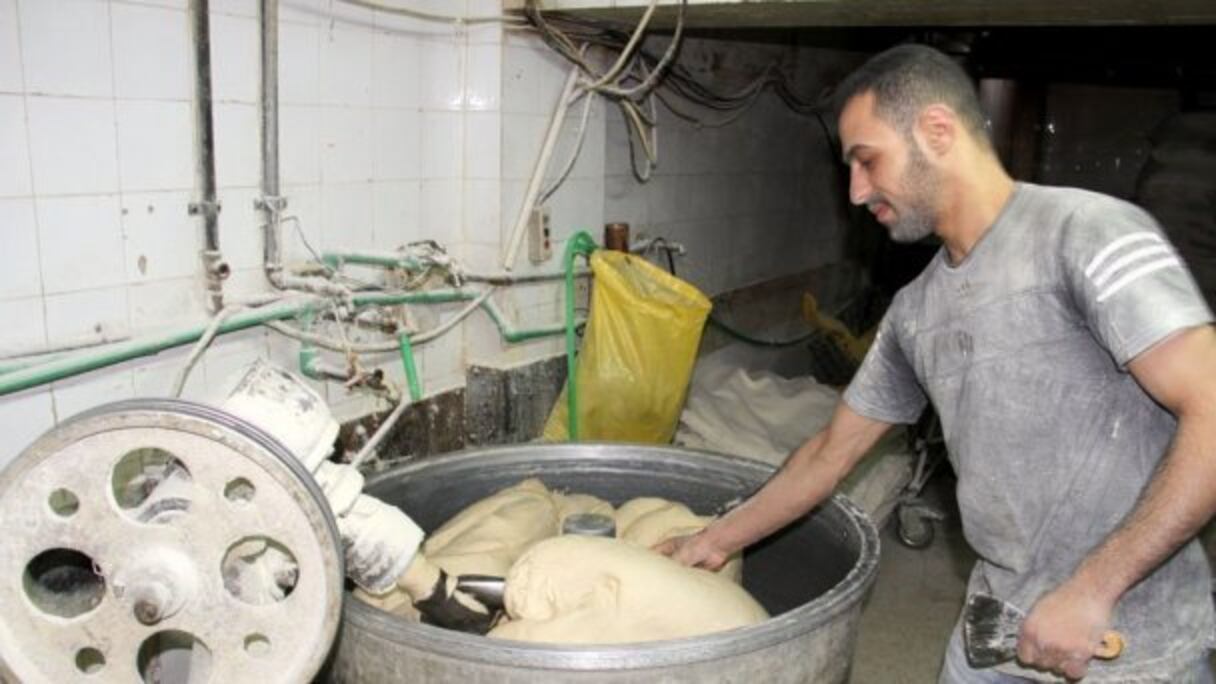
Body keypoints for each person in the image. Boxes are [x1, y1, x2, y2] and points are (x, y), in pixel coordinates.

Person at [658, 44, 1216, 682]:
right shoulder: (917, 311)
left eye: (867, 161)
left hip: (1126, 642)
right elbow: (827, 454)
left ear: (937, 131)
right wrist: (709, 542)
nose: (856, 192)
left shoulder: (1085, 233)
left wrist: (1092, 589)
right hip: (993, 633)